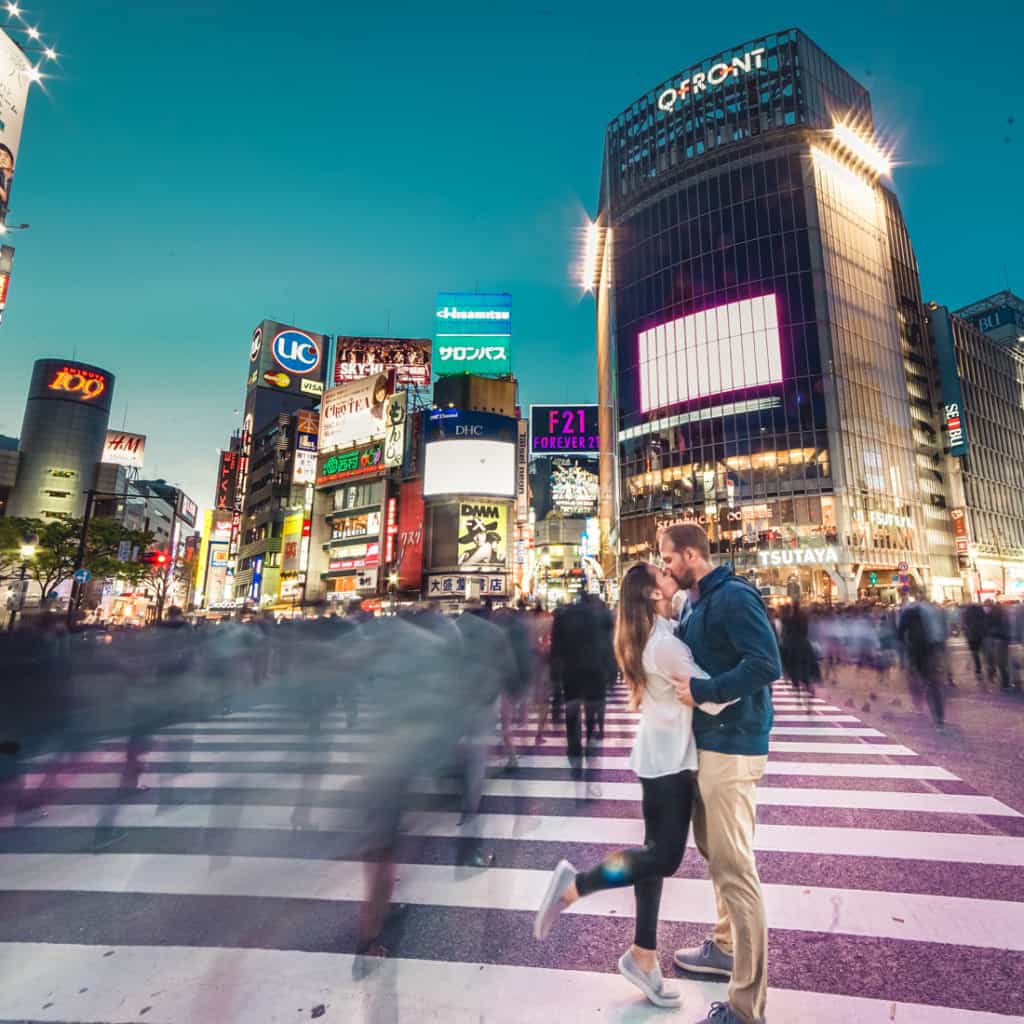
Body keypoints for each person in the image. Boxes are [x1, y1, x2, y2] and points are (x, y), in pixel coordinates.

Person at [534, 561, 727, 1008]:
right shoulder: (664, 646)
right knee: (665, 856)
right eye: (661, 575)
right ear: (653, 595)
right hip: (669, 762)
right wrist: (745, 683)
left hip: (658, 756)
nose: (668, 574)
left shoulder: (654, 635)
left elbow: (682, 620)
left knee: (652, 859)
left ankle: (644, 956)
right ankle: (574, 886)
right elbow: (712, 697)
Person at [660, 523, 780, 1024]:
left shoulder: (732, 597)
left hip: (734, 746)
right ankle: (726, 945)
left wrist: (705, 691)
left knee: (736, 870)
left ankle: (746, 1007)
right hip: (711, 746)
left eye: (668, 557)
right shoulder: (698, 602)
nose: (665, 565)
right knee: (716, 854)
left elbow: (766, 664)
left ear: (691, 554)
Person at [549, 593, 618, 779]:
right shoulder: (600, 616)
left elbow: (555, 647)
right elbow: (608, 646)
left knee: (571, 711)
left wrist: (554, 677)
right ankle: (590, 738)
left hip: (570, 671)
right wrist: (612, 672)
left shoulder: (563, 616)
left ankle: (574, 748)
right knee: (592, 709)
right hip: (594, 670)